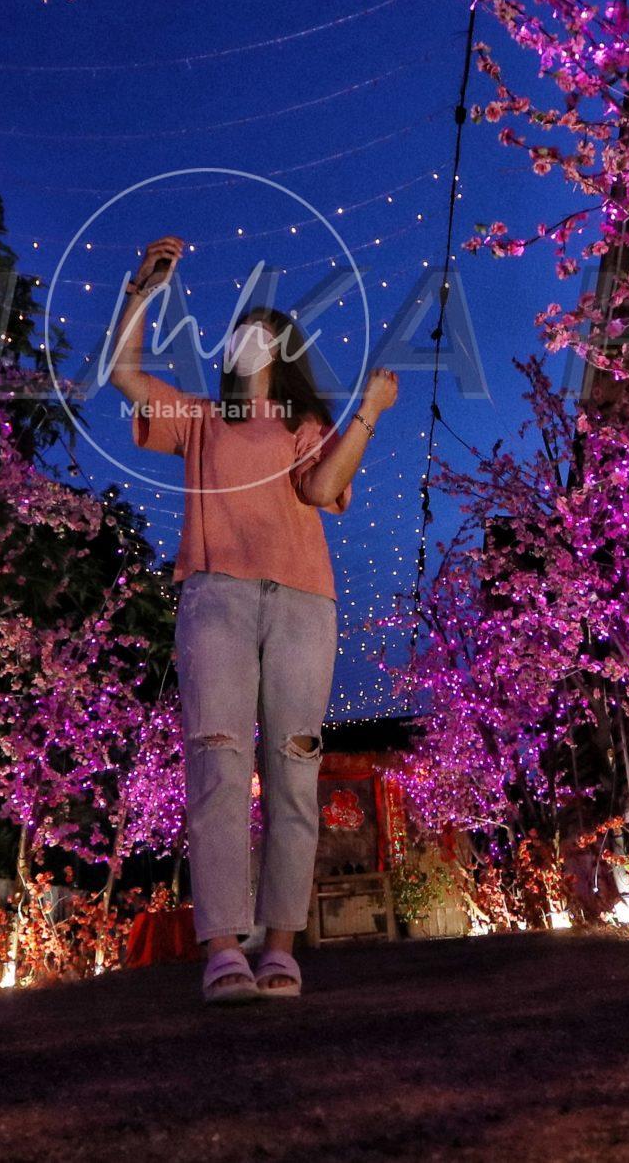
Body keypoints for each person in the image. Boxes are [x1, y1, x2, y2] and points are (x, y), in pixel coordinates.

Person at [109, 233, 395, 1004]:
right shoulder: (200, 421)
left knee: (294, 769)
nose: (245, 336)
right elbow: (125, 374)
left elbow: (320, 489)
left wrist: (367, 412)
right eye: (238, 328)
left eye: (262, 329)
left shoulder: (303, 427)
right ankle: (223, 949)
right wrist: (144, 290)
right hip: (217, 599)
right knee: (217, 762)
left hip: (304, 603)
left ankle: (280, 947)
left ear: (283, 349)